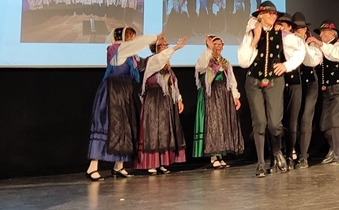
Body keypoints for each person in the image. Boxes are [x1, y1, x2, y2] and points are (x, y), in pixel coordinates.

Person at [236, 1, 305, 177]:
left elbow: (301, 49)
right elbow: (243, 62)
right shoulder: (251, 34)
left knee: (275, 124)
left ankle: (276, 153)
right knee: (260, 122)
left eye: (275, 14)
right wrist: (255, 39)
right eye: (270, 13)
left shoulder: (282, 34)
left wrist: (287, 65)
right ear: (260, 15)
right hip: (254, 81)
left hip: (275, 81)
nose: (274, 16)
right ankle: (260, 163)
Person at [85, 27, 157, 180]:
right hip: (113, 91)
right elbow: (137, 45)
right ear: (123, 36)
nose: (133, 39)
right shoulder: (117, 49)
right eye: (130, 36)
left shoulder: (131, 55)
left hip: (124, 91)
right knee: (106, 125)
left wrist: (164, 53)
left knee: (124, 127)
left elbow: (143, 64)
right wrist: (154, 37)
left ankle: (119, 165)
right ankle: (93, 167)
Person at [135, 35, 189, 174]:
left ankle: (162, 162)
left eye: (166, 45)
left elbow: (172, 83)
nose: (165, 47)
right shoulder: (153, 60)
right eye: (162, 45)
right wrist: (176, 48)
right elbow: (160, 59)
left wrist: (179, 99)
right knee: (153, 131)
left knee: (164, 131)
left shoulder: (166, 65)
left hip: (165, 100)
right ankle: (151, 163)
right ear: (156, 48)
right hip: (153, 99)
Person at [193, 35, 245, 168]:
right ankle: (213, 156)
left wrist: (235, 96)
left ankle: (220, 155)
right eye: (215, 44)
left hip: (223, 95)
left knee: (222, 124)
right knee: (213, 124)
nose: (218, 46)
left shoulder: (225, 62)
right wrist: (209, 50)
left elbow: (232, 80)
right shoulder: (205, 59)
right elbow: (200, 67)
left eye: (220, 44)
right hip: (211, 95)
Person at [285, 12, 321, 168]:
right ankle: (290, 152)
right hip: (293, 84)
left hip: (310, 84)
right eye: (296, 29)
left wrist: (303, 44)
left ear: (306, 29)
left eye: (301, 28)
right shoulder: (289, 41)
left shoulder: (311, 44)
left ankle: (304, 156)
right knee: (292, 120)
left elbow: (312, 61)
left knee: (306, 119)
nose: (299, 31)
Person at [312, 20, 339, 165]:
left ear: (333, 33)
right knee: (324, 125)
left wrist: (320, 44)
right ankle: (333, 148)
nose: (321, 35)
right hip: (327, 89)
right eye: (320, 33)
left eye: (324, 32)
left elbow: (336, 56)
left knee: (335, 121)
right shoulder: (321, 47)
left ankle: (336, 154)